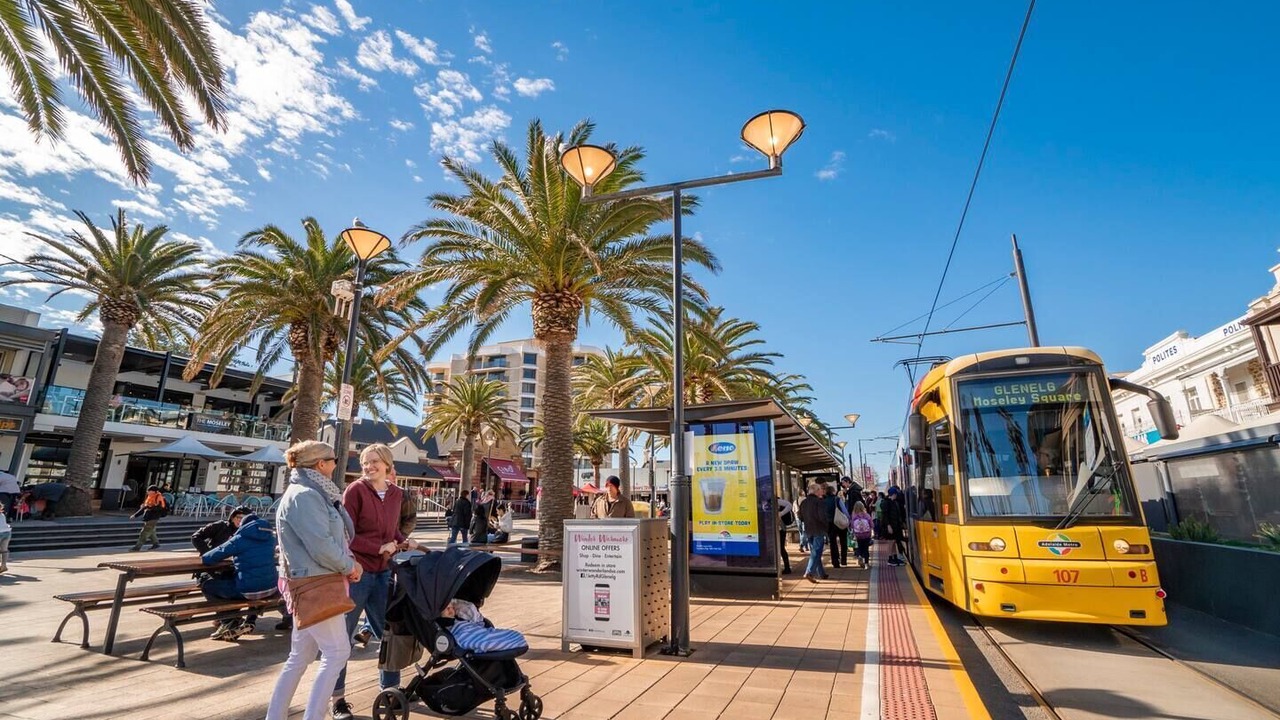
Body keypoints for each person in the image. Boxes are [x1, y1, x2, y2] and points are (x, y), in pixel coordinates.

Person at [266, 440, 362, 720]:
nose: (336, 464)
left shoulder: (313, 492)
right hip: (316, 583)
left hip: (310, 580)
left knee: (300, 657)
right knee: (337, 652)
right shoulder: (305, 495)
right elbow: (320, 544)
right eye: (332, 460)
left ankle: (276, 715)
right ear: (320, 464)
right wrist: (350, 566)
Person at [334, 443, 418, 719]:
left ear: (387, 465)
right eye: (365, 463)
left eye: (374, 462)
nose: (368, 467)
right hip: (357, 573)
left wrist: (402, 541)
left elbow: (392, 529)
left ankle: (390, 692)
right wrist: (376, 548)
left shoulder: (396, 494)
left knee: (389, 634)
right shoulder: (355, 490)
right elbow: (345, 533)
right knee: (342, 637)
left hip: (384, 573)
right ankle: (338, 699)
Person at [200, 511, 279, 641]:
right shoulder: (271, 538)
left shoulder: (241, 538)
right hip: (271, 588)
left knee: (207, 585)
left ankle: (229, 619)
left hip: (248, 590)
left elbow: (208, 558)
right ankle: (248, 619)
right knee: (251, 581)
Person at [442, 598, 528, 654]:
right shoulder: (446, 624)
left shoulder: (460, 617)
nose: (450, 610)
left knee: (510, 635)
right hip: (465, 635)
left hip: (475, 630)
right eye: (446, 609)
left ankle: (507, 639)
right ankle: (490, 643)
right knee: (485, 641)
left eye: (451, 607)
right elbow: (461, 633)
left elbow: (474, 622)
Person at [798, 483, 829, 583]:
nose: (822, 491)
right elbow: (822, 517)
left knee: (815, 551)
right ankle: (809, 572)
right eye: (820, 489)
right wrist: (826, 526)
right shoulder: (819, 502)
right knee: (816, 551)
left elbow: (800, 517)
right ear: (816, 491)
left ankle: (821, 573)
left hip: (808, 529)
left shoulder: (803, 503)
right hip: (818, 529)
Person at [129, 486, 167, 551]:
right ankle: (156, 544)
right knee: (151, 532)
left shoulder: (158, 497)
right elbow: (144, 507)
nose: (147, 492)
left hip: (153, 518)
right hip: (148, 517)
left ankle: (137, 547)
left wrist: (150, 508)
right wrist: (135, 515)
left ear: (153, 491)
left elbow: (160, 508)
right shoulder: (149, 497)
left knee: (144, 532)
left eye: (149, 491)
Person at [826, 483, 849, 568]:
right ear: (833, 491)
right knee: (843, 541)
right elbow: (844, 510)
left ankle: (835, 561)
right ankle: (844, 560)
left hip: (830, 523)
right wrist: (848, 519)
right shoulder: (837, 499)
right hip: (839, 522)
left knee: (833, 542)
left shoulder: (823, 501)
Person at [883, 486, 908, 566]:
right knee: (891, 542)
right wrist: (888, 525)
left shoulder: (894, 502)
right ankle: (890, 559)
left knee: (893, 542)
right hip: (891, 525)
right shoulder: (887, 503)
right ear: (893, 494)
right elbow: (885, 515)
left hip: (895, 525)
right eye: (895, 494)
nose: (896, 496)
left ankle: (894, 557)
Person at [850, 501, 874, 569]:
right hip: (866, 534)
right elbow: (872, 524)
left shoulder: (854, 516)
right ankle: (866, 564)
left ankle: (859, 556)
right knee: (866, 548)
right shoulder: (866, 515)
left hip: (858, 535)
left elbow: (852, 526)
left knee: (860, 546)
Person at [776, 496, 794, 575]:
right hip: (775, 529)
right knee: (780, 548)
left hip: (780, 528)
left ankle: (787, 567)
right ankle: (784, 567)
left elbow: (789, 505)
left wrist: (780, 514)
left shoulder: (775, 500)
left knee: (781, 548)